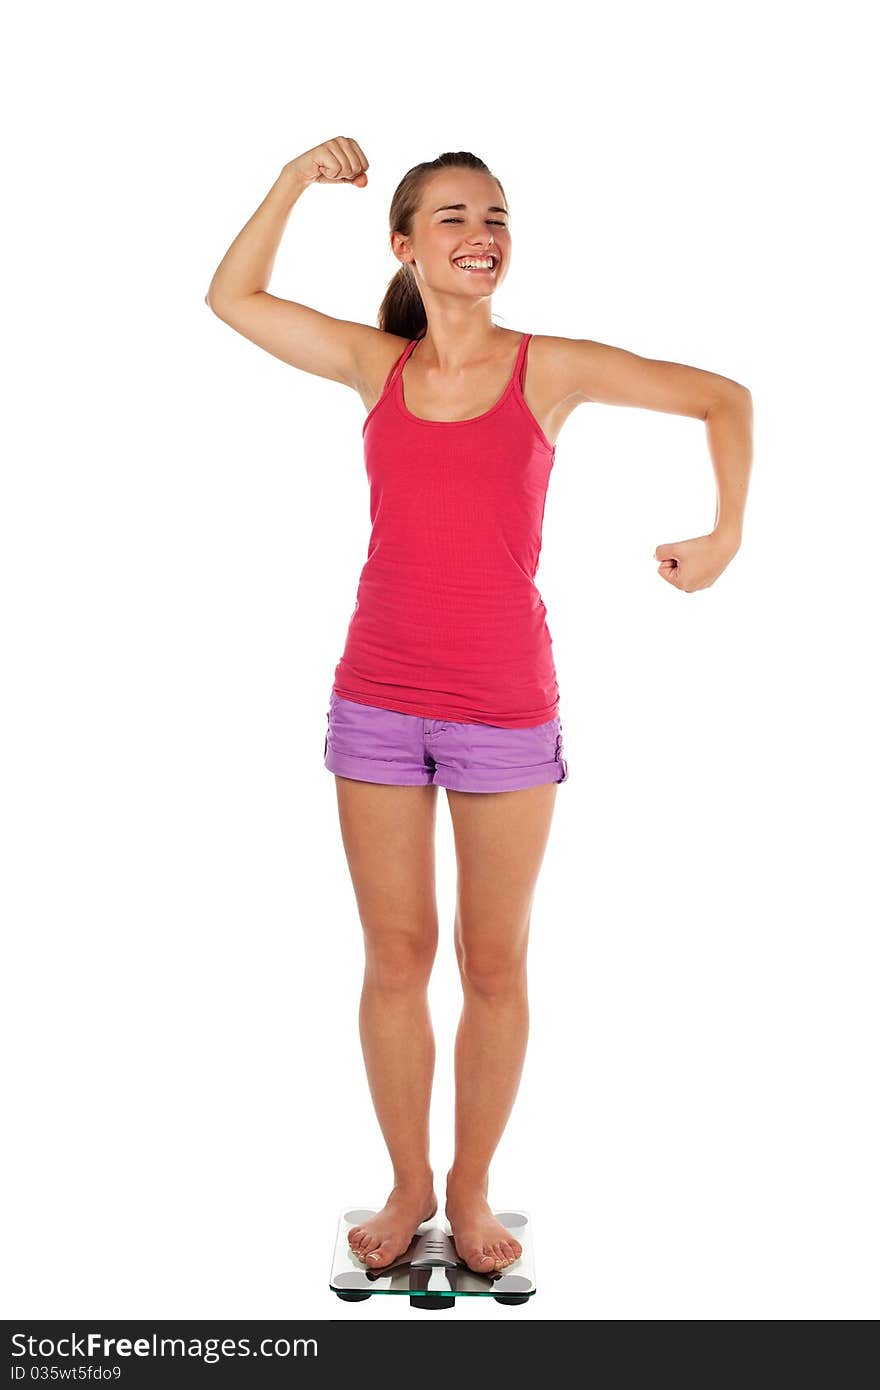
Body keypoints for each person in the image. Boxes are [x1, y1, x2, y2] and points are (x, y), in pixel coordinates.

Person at [206, 137, 752, 1277]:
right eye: (453, 216)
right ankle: (409, 1181)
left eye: (497, 216)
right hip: (376, 698)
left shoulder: (545, 368)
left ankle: (470, 1185)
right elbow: (232, 296)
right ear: (404, 245)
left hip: (504, 704)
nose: (482, 234)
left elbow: (721, 396)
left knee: (493, 961)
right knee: (395, 954)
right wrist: (297, 179)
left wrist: (723, 535)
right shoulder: (377, 366)